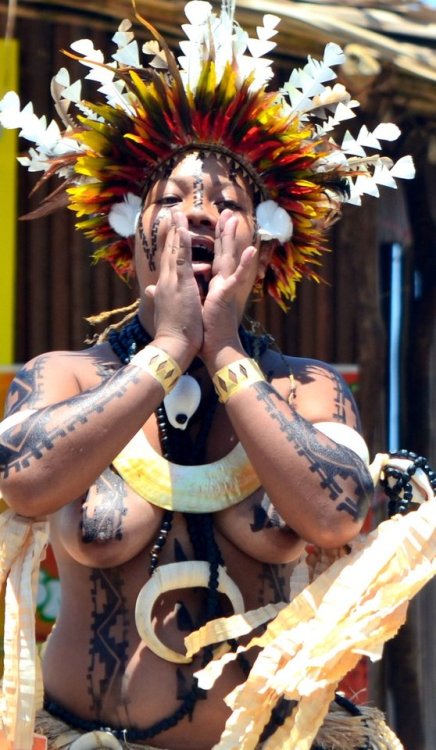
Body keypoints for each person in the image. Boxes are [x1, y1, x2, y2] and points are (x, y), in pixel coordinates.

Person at [0, 2, 431, 749]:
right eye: (170, 201)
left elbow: (335, 518)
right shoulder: (66, 376)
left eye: (228, 206)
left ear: (266, 249)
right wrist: (165, 349)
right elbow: (24, 484)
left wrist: (225, 351)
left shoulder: (307, 389)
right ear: (129, 231)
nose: (199, 215)